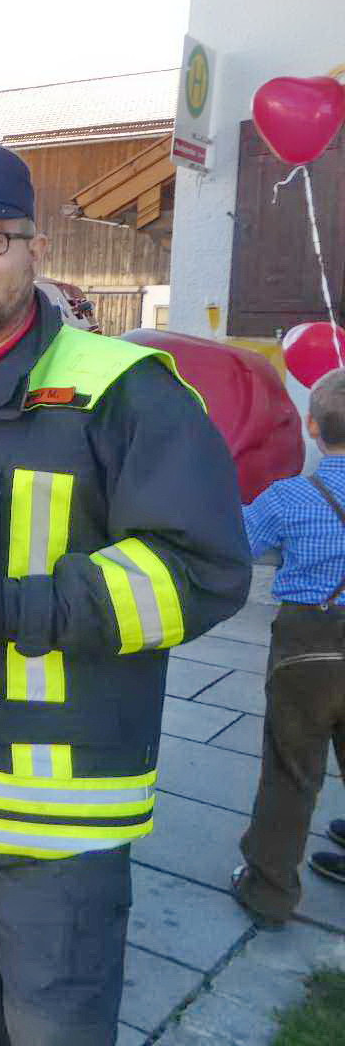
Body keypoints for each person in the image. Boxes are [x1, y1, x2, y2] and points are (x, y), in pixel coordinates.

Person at [0, 141, 252, 1045]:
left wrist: (12, 607)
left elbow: (202, 568)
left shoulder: (125, 392)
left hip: (53, 821)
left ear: (36, 248)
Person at [232, 367, 345, 926]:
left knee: (292, 770)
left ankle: (270, 889)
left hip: (309, 642)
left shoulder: (291, 495)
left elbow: (240, 545)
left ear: (312, 426)